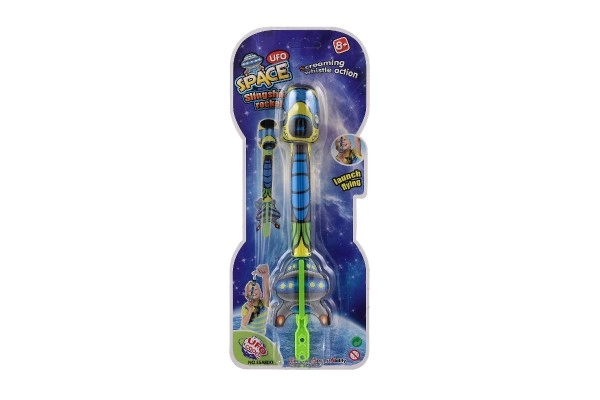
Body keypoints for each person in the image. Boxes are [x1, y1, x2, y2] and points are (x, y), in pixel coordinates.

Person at [240, 264, 270, 335]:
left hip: (259, 337)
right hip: (245, 334)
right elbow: (244, 324)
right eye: (250, 291)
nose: (253, 291)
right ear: (247, 295)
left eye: (256, 289)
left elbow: (267, 292)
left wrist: (265, 276)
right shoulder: (246, 307)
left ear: (260, 293)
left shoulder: (264, 303)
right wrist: (250, 310)